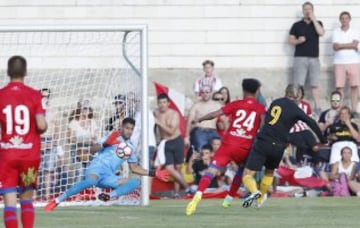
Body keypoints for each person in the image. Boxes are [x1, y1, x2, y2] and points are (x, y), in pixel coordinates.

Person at [186, 79, 266, 216]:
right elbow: (264, 126)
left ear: (243, 91)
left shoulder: (236, 104)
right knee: (242, 171)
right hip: (245, 147)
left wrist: (200, 119)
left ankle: (197, 196)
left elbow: (214, 114)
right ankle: (228, 199)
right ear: (257, 91)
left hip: (228, 144)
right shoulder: (260, 108)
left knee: (211, 170)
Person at [242, 84, 327, 209]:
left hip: (264, 140)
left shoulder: (276, 102)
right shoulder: (296, 109)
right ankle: (260, 200)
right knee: (269, 173)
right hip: (279, 145)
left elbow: (267, 119)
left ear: (286, 92)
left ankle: (255, 192)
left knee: (248, 175)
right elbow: (311, 122)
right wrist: (322, 139)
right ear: (298, 95)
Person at [44, 118, 157, 211]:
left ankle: (109, 196)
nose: (129, 131)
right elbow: (92, 150)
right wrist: (105, 144)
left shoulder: (130, 147)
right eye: (127, 128)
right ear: (121, 127)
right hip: (96, 168)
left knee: (136, 182)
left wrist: (152, 172)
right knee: (91, 181)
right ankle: (57, 201)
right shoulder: (111, 136)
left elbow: (134, 167)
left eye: (131, 129)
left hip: (108, 176)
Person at [0, 56, 48, 228]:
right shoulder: (35, 95)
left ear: (7, 72)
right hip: (29, 155)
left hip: (8, 154)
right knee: (26, 200)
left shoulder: (1, 95)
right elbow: (41, 125)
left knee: (10, 201)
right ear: (25, 72)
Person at [288, 1, 325, 113]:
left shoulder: (318, 23)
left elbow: (321, 33)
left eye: (309, 9)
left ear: (312, 10)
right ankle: (296, 107)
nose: (307, 11)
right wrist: (298, 41)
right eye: (305, 9)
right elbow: (290, 40)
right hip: (300, 58)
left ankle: (317, 107)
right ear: (303, 11)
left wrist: (313, 19)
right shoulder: (296, 25)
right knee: (298, 84)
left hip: (314, 58)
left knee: (315, 84)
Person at [154, 93, 189, 197]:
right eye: (160, 102)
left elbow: (171, 131)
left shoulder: (174, 114)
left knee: (178, 168)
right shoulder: (155, 113)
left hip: (176, 141)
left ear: (168, 103)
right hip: (165, 143)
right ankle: (188, 188)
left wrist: (158, 122)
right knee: (169, 168)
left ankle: (177, 192)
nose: (162, 105)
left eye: (164, 102)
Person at [332, 11, 360, 115]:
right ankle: (340, 109)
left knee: (354, 86)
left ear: (349, 19)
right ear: (340, 20)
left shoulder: (355, 31)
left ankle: (354, 109)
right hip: (339, 62)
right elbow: (335, 47)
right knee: (339, 87)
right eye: (342, 18)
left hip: (354, 61)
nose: (344, 20)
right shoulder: (336, 32)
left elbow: (355, 45)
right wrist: (349, 45)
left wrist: (341, 46)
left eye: (346, 18)